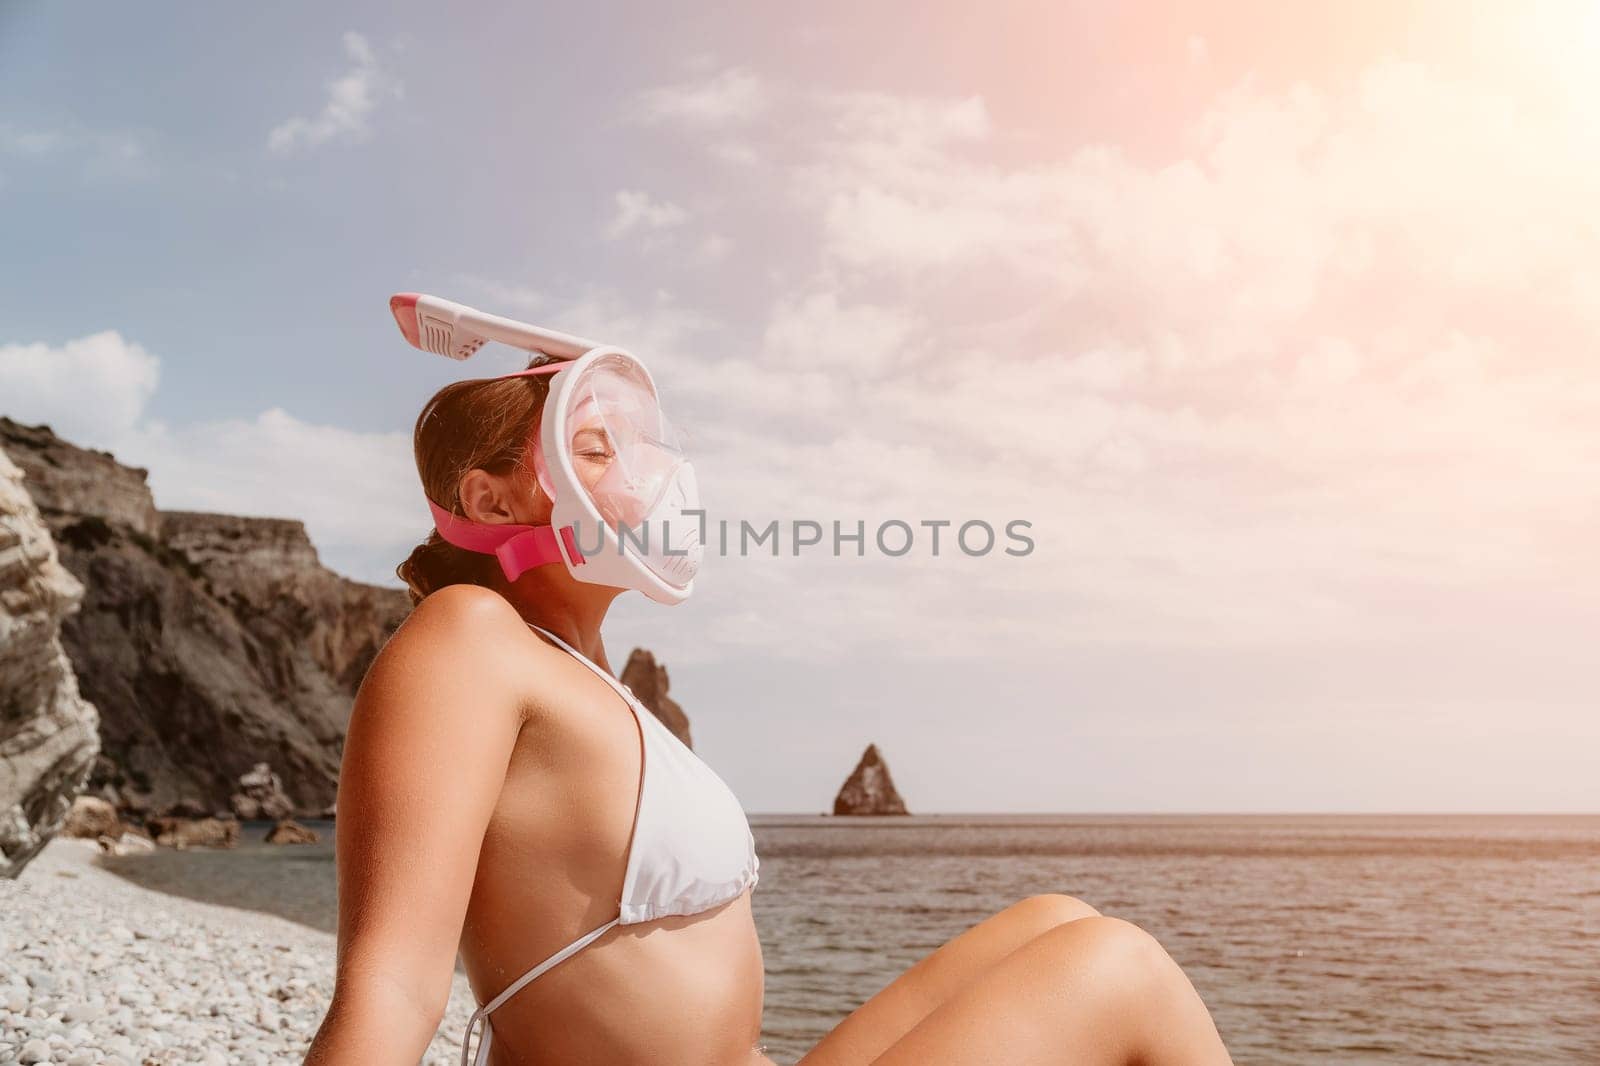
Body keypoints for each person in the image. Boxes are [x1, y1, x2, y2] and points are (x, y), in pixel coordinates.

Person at [304, 297, 1234, 1065]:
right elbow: (392, 986)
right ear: (492, 500)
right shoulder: (468, 637)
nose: (638, 478)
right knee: (1121, 966)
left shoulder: (589, 681)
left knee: (1056, 918)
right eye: (595, 452)